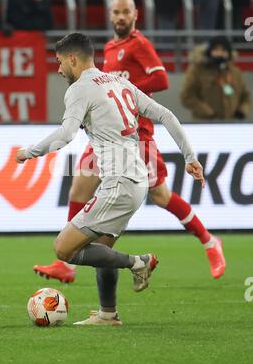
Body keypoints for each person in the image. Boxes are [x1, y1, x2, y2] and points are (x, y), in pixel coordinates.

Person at [16, 32, 205, 325]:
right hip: (137, 180)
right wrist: (190, 158)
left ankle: (138, 262)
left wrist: (29, 152)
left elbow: (66, 135)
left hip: (119, 183)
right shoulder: (119, 81)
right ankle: (108, 314)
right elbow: (166, 114)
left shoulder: (79, 89)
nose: (58, 69)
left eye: (59, 63)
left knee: (64, 248)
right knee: (102, 249)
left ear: (73, 59)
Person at [181, 36, 251, 120]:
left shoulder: (235, 72)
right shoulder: (197, 70)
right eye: (216, 50)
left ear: (229, 53)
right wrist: (207, 111)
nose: (220, 53)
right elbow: (187, 96)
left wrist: (242, 110)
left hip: (231, 125)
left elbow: (246, 96)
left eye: (224, 50)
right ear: (210, 51)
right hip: (204, 124)